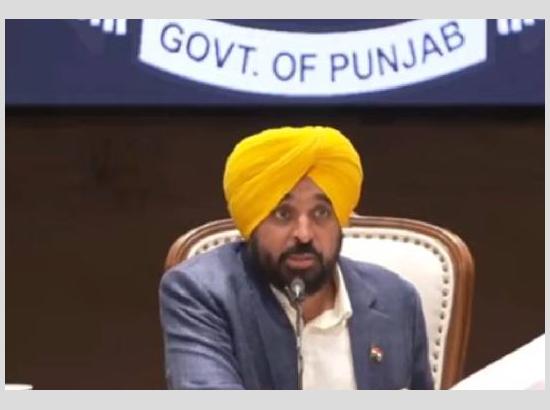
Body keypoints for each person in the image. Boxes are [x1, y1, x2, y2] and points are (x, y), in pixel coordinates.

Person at [159, 126, 434, 390]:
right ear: (253, 222)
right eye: (283, 214)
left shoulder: (396, 299)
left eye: (321, 213)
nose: (304, 234)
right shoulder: (201, 293)